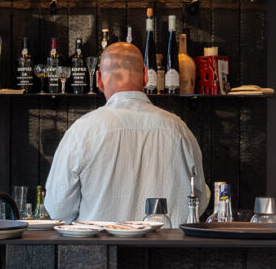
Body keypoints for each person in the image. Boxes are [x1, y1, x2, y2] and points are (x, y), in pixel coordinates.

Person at [43, 42, 210, 224]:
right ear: (146, 76)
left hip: (99, 250)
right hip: (168, 249)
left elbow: (58, 209)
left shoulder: (82, 131)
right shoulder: (178, 129)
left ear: (98, 79)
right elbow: (198, 200)